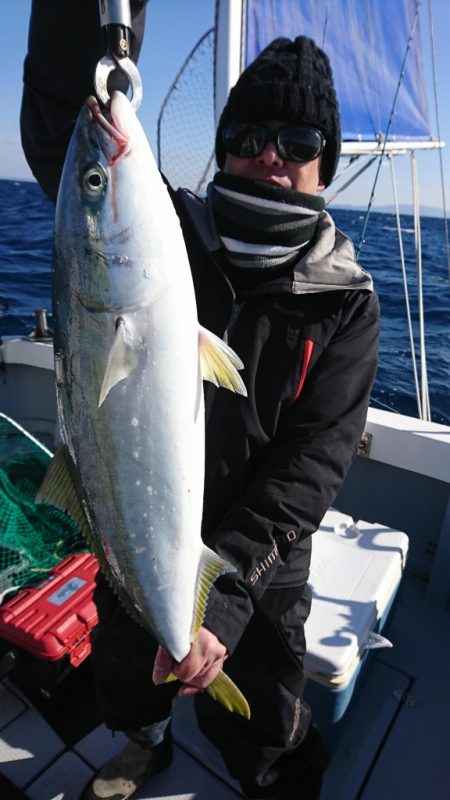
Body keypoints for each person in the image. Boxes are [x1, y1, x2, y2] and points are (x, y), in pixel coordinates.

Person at [21, 2, 380, 798]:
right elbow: (61, 148)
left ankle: (268, 775)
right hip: (130, 527)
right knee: (127, 668)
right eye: (248, 139)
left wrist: (224, 599)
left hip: (261, 559)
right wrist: (91, 24)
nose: (270, 158)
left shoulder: (345, 305)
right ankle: (145, 742)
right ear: (221, 148)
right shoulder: (170, 233)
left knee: (263, 713)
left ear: (327, 165)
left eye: (299, 144)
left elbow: (309, 470)